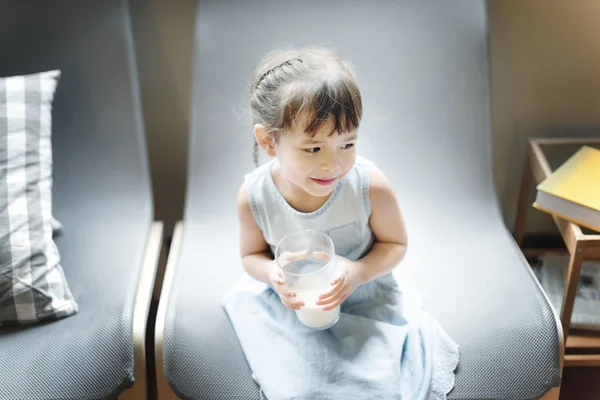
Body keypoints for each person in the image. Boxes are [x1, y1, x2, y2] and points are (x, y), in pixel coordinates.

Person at [222, 46, 459, 400]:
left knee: (381, 384)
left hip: (365, 296)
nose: (332, 164)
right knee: (296, 387)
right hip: (295, 304)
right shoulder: (254, 196)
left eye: (347, 143)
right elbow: (250, 257)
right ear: (269, 141)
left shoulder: (369, 186)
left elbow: (395, 245)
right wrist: (272, 274)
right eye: (313, 149)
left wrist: (359, 272)